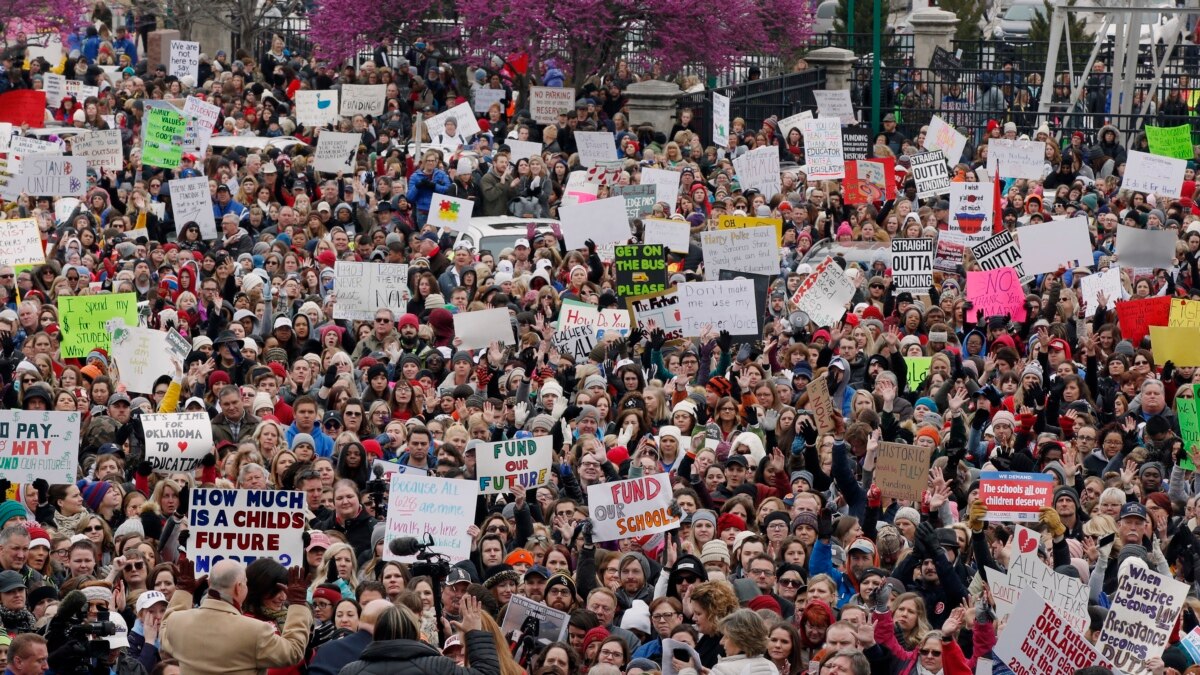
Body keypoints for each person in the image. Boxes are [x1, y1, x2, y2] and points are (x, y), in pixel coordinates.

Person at [160, 559, 312, 674]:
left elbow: (164, 630)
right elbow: (293, 653)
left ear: (209, 583)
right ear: (239, 588)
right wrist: (298, 603)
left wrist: (183, 591)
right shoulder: (256, 631)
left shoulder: (177, 621)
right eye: (245, 583)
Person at [338, 595, 501, 674]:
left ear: (378, 632)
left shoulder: (350, 671)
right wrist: (474, 632)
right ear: (415, 632)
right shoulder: (437, 666)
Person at [308, 599, 394, 675]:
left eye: (350, 615)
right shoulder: (324, 648)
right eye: (339, 615)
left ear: (360, 619)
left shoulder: (385, 648)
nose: (344, 620)